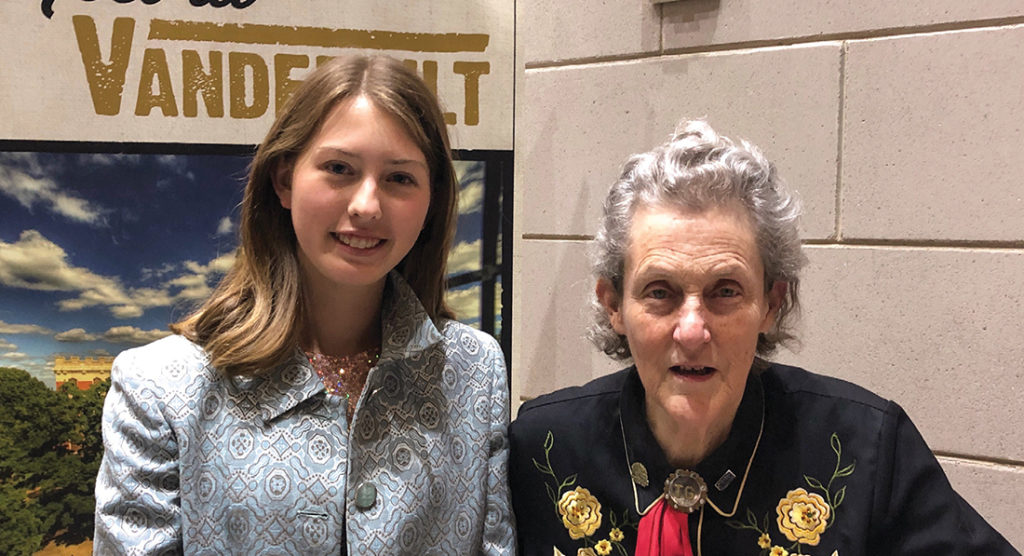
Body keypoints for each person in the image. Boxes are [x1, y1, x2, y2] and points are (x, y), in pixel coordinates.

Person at [509, 120, 1018, 555]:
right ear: (613, 305)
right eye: (659, 292)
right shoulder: (544, 449)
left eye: (725, 291)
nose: (691, 330)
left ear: (772, 305)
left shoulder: (865, 449)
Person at [94, 54, 515, 554]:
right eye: (339, 168)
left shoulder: (474, 371)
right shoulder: (162, 388)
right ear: (284, 180)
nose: (366, 205)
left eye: (400, 178)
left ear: (432, 201)